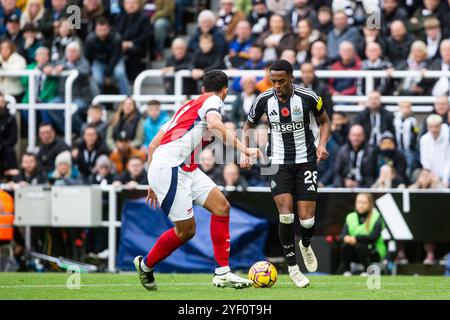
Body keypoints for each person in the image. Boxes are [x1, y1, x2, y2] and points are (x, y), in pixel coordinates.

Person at [136, 70, 262, 290]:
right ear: (225, 91)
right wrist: (245, 149)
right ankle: (146, 264)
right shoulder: (213, 100)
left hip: (182, 168)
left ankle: (222, 273)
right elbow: (214, 124)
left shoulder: (187, 107)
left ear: (202, 88)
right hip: (171, 169)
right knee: (187, 231)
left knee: (222, 207)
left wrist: (151, 181)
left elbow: (153, 145)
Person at [240, 60, 331, 288]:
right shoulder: (262, 100)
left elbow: (325, 122)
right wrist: (244, 152)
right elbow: (247, 126)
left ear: (291, 77)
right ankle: (292, 267)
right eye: (274, 81)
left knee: (307, 220)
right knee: (286, 215)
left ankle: (306, 245)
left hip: (306, 161)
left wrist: (322, 144)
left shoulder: (309, 97)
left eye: (281, 81)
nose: (277, 85)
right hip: (277, 162)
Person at [338, 193, 387, 276]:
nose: (361, 205)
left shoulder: (376, 217)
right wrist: (346, 238)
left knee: (360, 245)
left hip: (373, 251)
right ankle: (347, 271)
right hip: (355, 251)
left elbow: (374, 237)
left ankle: (366, 270)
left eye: (364, 203)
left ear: (370, 204)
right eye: (359, 202)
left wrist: (356, 239)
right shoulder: (350, 216)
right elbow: (342, 235)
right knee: (345, 246)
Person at [84, 17, 130, 95]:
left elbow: (115, 57)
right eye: (99, 30)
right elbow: (87, 57)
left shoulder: (117, 38)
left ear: (109, 29)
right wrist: (89, 72)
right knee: (97, 80)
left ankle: (127, 98)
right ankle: (100, 103)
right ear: (95, 30)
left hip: (115, 61)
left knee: (120, 73)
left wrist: (107, 74)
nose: (102, 33)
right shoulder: (90, 39)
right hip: (98, 61)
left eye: (104, 30)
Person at [113, 0, 151, 81]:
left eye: (133, 3)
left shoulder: (144, 17)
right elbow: (115, 33)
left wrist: (132, 43)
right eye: (128, 3)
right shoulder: (120, 17)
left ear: (138, 4)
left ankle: (133, 78)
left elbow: (146, 35)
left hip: (138, 45)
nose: (131, 5)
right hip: (121, 44)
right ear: (124, 5)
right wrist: (121, 43)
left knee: (133, 50)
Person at [419, 114, 450, 187]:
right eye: (431, 127)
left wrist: (445, 179)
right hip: (432, 174)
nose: (433, 130)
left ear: (440, 126)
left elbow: (448, 160)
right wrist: (432, 175)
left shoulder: (448, 137)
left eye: (436, 126)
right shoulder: (424, 139)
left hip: (447, 174)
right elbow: (425, 160)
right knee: (424, 179)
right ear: (427, 127)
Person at [0, 93, 17, 178]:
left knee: (10, 151)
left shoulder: (10, 118)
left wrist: (2, 145)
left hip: (5, 147)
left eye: (2, 101)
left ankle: (12, 179)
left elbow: (13, 138)